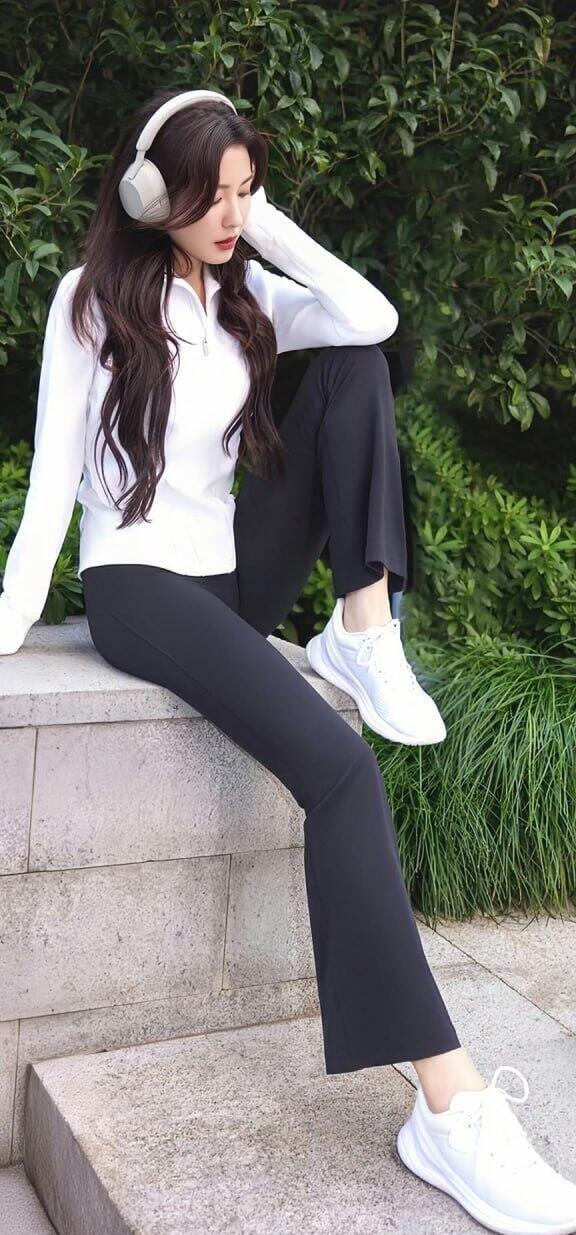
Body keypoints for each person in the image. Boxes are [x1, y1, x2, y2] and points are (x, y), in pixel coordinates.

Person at [1, 86, 575, 1235]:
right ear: (149, 194)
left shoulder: (248, 292)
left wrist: (259, 223)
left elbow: (371, 313)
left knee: (359, 366)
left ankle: (362, 627)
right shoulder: (88, 303)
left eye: (244, 192)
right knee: (341, 770)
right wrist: (9, 622)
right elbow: (53, 485)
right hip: (139, 586)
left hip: (230, 578)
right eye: (211, 195)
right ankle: (448, 1103)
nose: (230, 215)